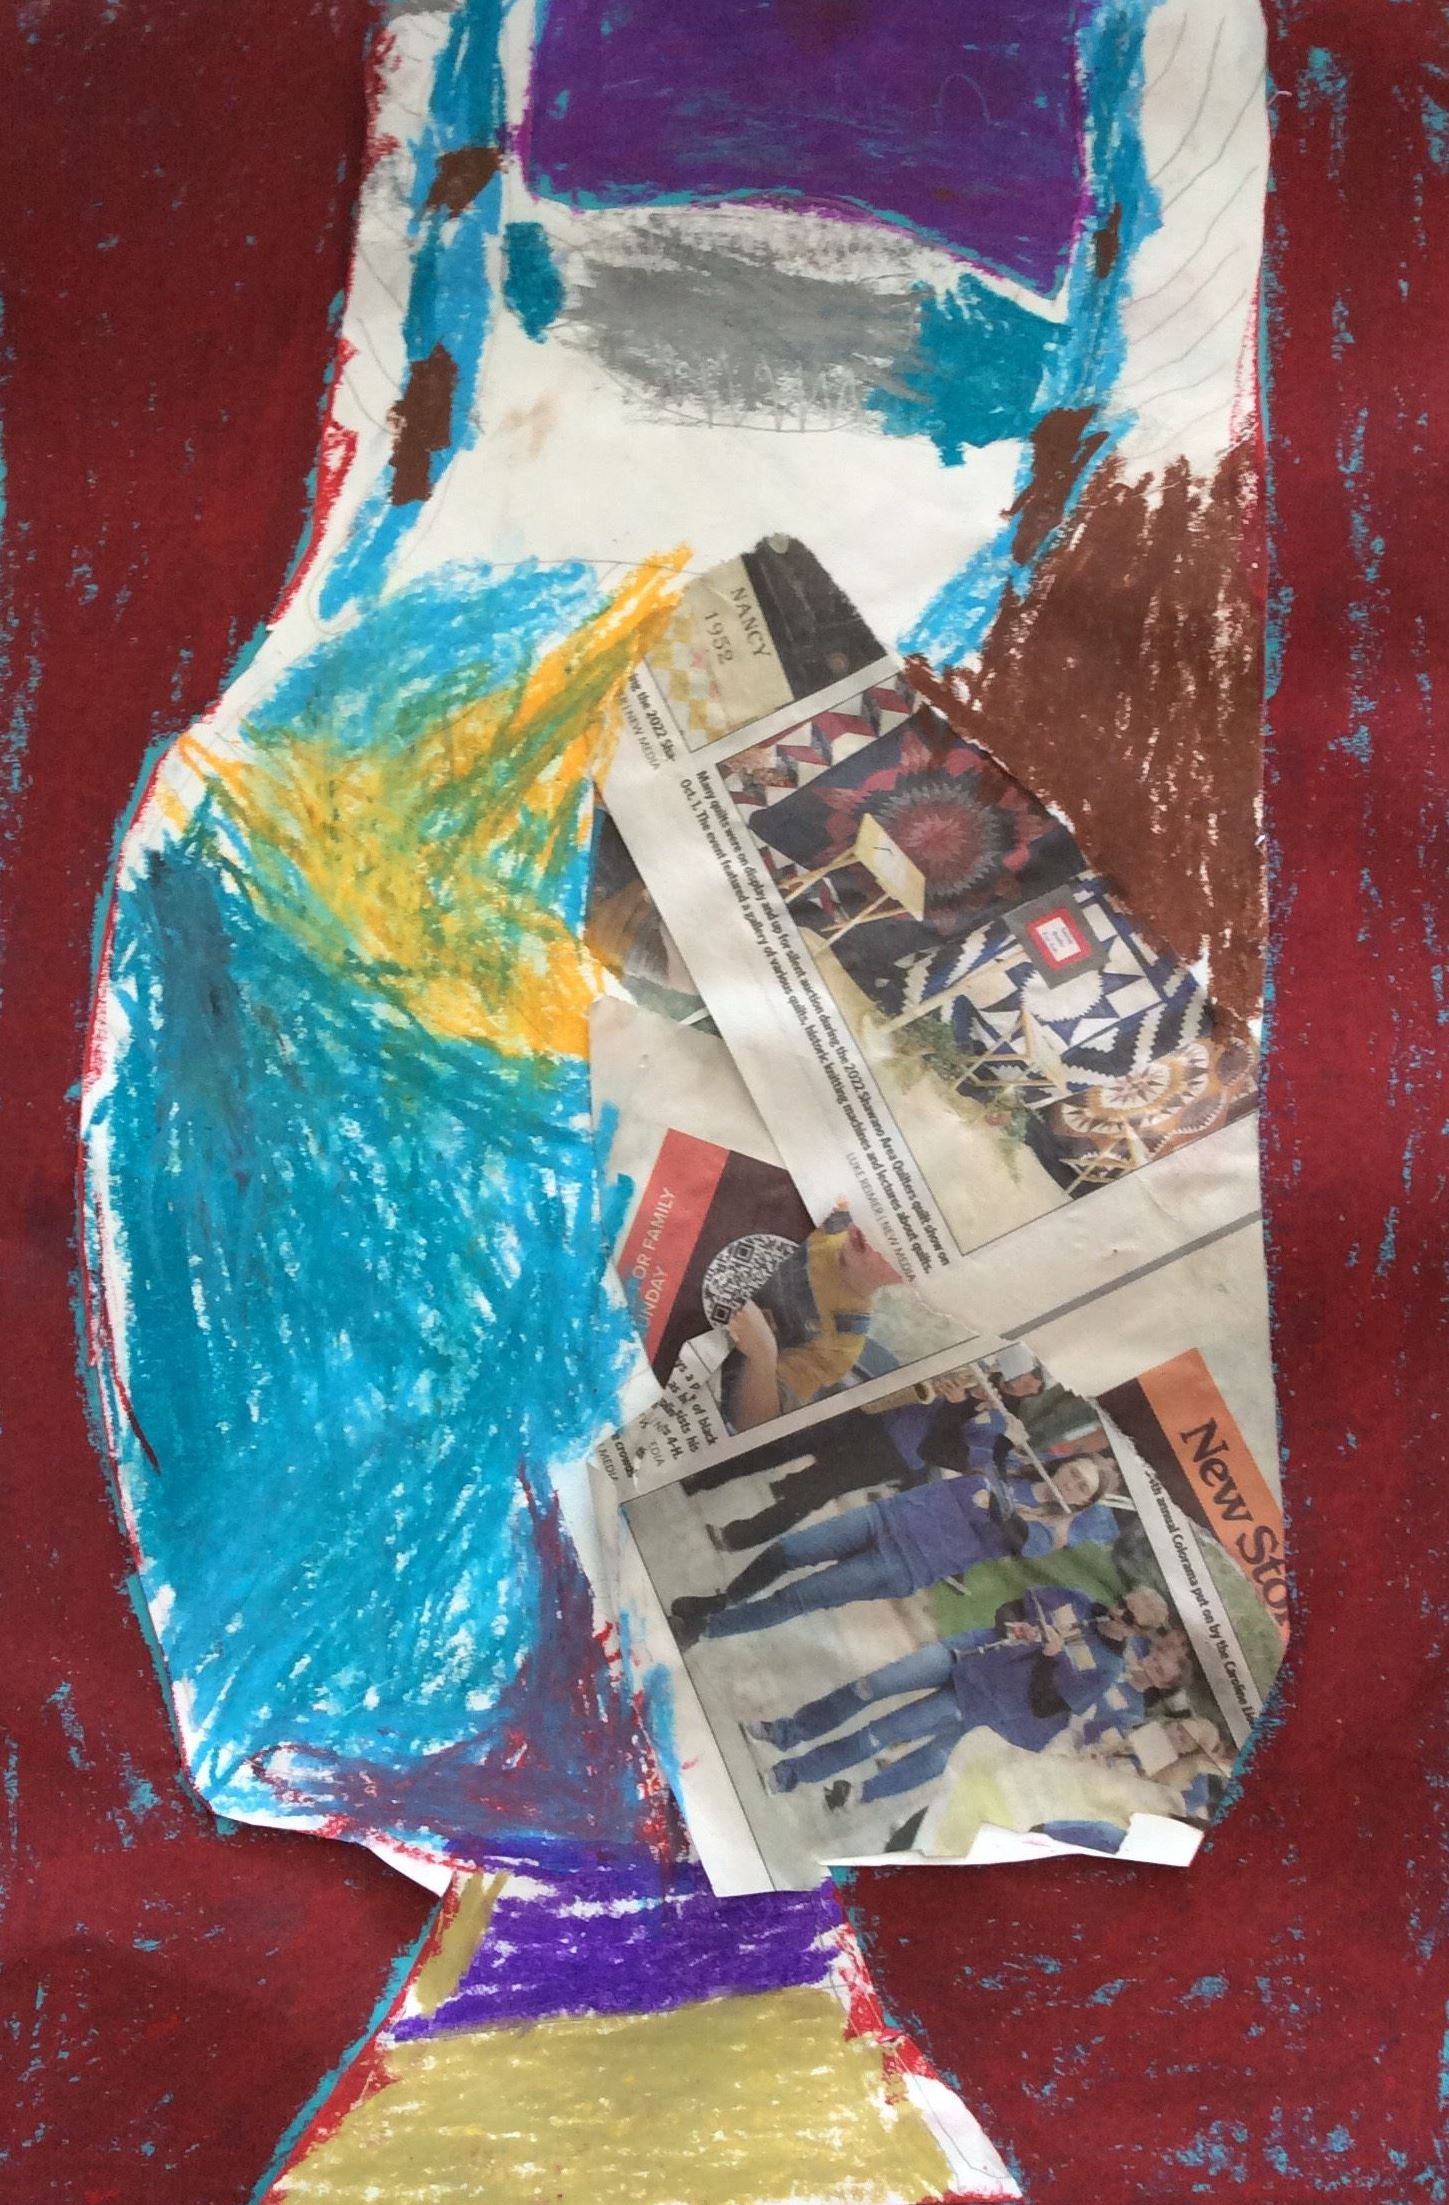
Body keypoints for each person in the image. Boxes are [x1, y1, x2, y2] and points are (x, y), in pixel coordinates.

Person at [747, 1585, 1133, 1809]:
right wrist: (1014, 1627)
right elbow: (1010, 1607)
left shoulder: (1107, 1670)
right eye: (1122, 1603)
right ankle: (788, 1730)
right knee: (869, 1686)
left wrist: (1049, 1658)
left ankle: (793, 1772)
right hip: (963, 1653)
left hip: (979, 1700)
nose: (1118, 1613)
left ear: (1138, 1632)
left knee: (878, 1734)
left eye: (1130, 1619)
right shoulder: (1077, 1600)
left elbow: (1045, 1706)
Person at [670, 1456, 1115, 1648]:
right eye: (1074, 1472)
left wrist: (1002, 1505)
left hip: (902, 1564)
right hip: (886, 1516)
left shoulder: (1049, 1532)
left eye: (1082, 1488)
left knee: (798, 1597)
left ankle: (703, 1630)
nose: (1072, 1482)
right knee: (787, 1550)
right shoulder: (1012, 1468)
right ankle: (723, 1600)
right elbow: (953, 1447)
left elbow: (1017, 1535)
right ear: (1063, 1463)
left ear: (1083, 1503)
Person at [682, 1208, 904, 1459]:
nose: (875, 1232)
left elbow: (754, 1424)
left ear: (909, 1278)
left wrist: (762, 1354)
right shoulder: (826, 1213)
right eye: (881, 1214)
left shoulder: (842, 1342)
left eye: (896, 1242)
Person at [704, 1376, 1009, 1553]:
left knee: (815, 1492)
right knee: (788, 1443)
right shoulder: (974, 1373)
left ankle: (736, 1538)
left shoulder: (996, 1423)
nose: (1012, 1382)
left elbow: (941, 1452)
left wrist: (957, 1407)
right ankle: (705, 1475)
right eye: (1011, 1376)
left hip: (892, 1453)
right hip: (873, 1417)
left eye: (1024, 1382)